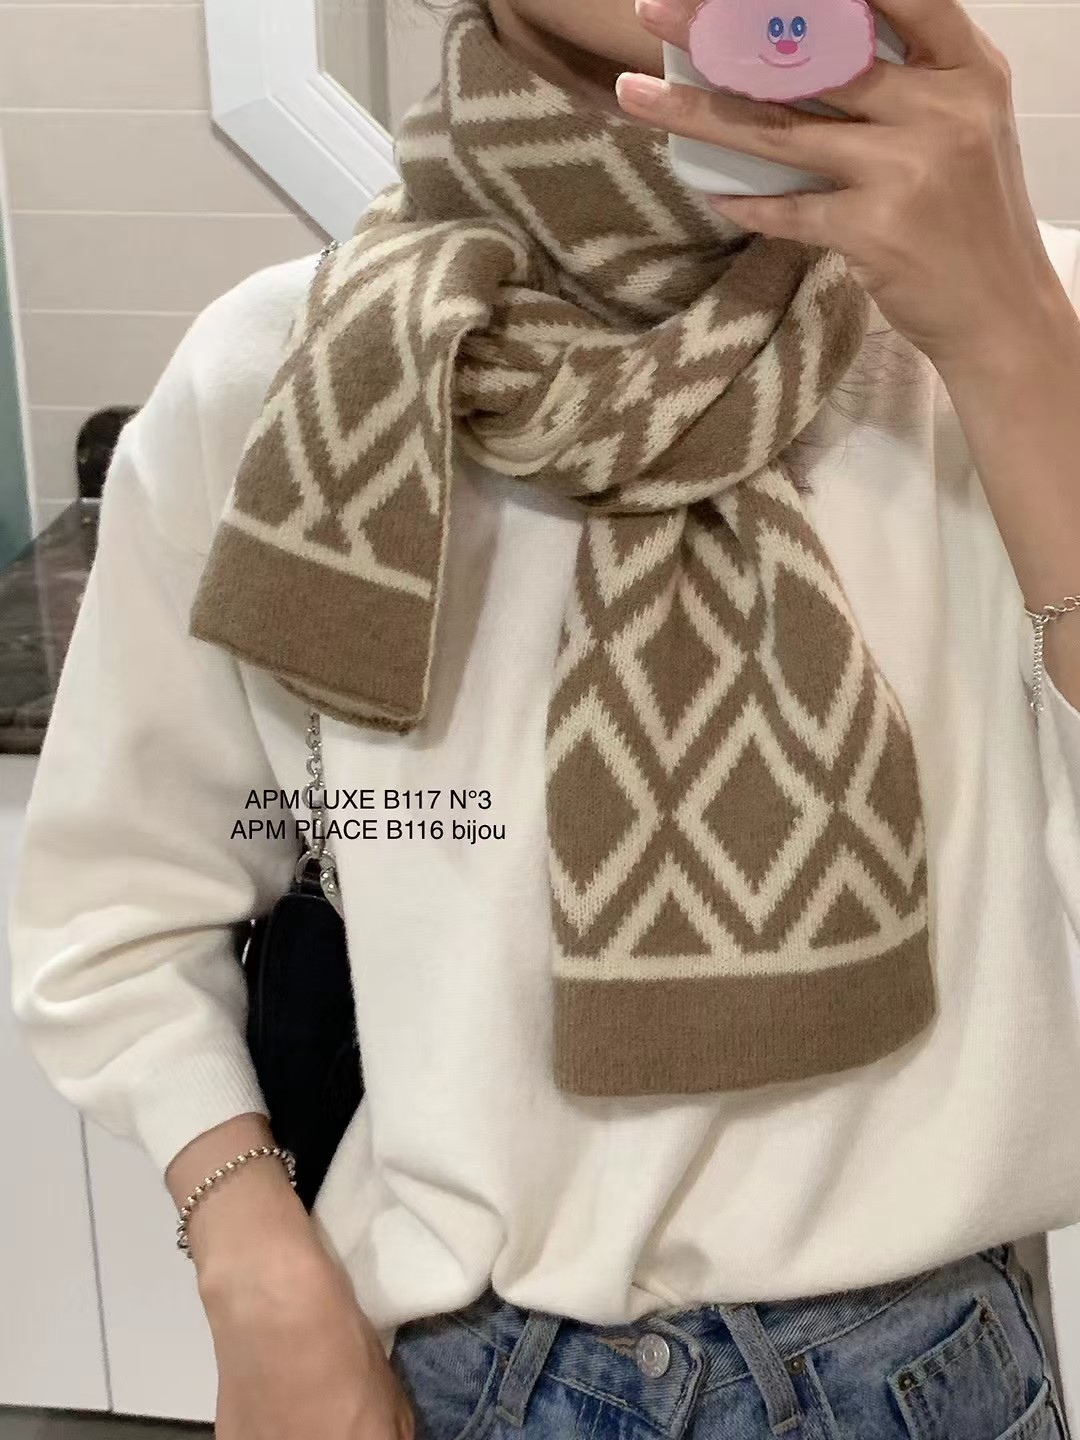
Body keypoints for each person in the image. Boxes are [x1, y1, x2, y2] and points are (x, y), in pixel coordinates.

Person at [9, 0, 1080, 1435]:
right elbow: (119, 906)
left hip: (927, 1373)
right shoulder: (289, 377)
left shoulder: (1024, 337)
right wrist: (254, 1273)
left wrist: (1017, 351)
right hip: (456, 1378)